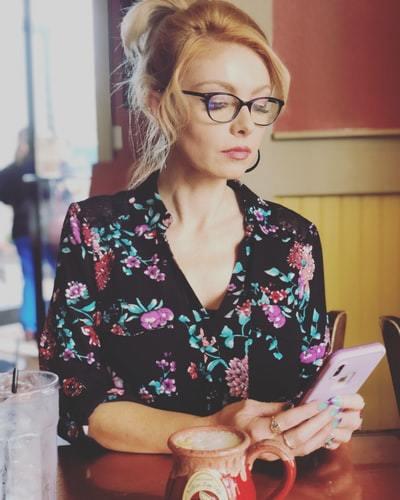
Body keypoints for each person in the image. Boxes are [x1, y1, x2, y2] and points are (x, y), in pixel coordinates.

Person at [39, 0, 363, 458]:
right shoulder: (96, 233)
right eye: (219, 101)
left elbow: (303, 395)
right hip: (128, 486)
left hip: (266, 485)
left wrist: (324, 420)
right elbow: (77, 404)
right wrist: (215, 429)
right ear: (158, 104)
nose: (245, 125)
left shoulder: (294, 240)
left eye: (260, 103)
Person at [0, 129, 57, 341]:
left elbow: (5, 196)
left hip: (24, 229)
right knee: (59, 272)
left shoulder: (12, 171)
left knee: (31, 277)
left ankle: (30, 326)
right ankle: (53, 321)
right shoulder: (41, 167)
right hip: (42, 228)